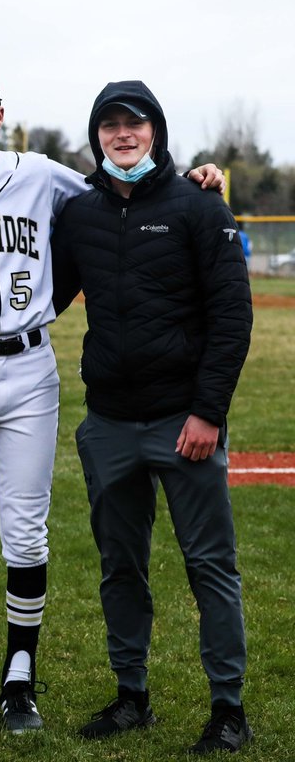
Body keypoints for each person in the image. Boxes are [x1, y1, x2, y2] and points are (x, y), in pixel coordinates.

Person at [0, 68, 225, 735]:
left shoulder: (41, 174)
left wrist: (190, 176)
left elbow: (125, 188)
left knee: (25, 529)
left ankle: (21, 677)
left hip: (27, 367)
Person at [53, 81, 253, 755]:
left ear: (156, 131)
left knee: (209, 566)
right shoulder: (79, 213)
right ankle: (131, 695)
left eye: (133, 123)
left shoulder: (199, 205)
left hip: (182, 421)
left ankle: (228, 708)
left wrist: (207, 413)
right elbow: (42, 293)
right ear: (98, 137)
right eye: (109, 125)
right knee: (120, 566)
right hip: (108, 422)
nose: (122, 134)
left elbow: (232, 317)